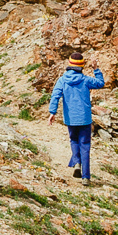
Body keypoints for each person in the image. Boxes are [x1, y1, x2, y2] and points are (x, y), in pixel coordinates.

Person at [47, 55, 107, 183]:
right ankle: (86, 177)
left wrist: (52, 112)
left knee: (73, 140)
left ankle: (77, 163)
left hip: (70, 118)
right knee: (85, 145)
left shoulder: (62, 80)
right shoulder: (85, 80)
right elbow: (101, 83)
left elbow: (55, 96)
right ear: (82, 66)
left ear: (69, 64)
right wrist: (96, 69)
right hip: (85, 118)